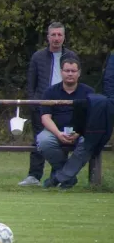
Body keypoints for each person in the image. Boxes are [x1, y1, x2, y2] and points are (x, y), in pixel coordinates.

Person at [19, 22, 77, 186]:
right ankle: (34, 176)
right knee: (39, 139)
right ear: (48, 37)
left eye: (60, 35)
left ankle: (58, 177)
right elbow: (31, 82)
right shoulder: (38, 57)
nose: (56, 38)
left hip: (65, 106)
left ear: (64, 37)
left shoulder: (71, 56)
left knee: (62, 139)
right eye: (53, 35)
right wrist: (33, 102)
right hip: (42, 104)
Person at [38, 57, 94, 189]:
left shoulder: (89, 92)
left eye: (73, 71)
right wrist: (58, 134)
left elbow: (93, 118)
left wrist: (79, 132)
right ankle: (69, 177)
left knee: (89, 142)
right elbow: (45, 117)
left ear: (79, 73)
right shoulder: (50, 91)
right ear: (61, 72)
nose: (70, 74)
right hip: (56, 130)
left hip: (81, 132)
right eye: (67, 70)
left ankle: (59, 178)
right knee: (43, 140)